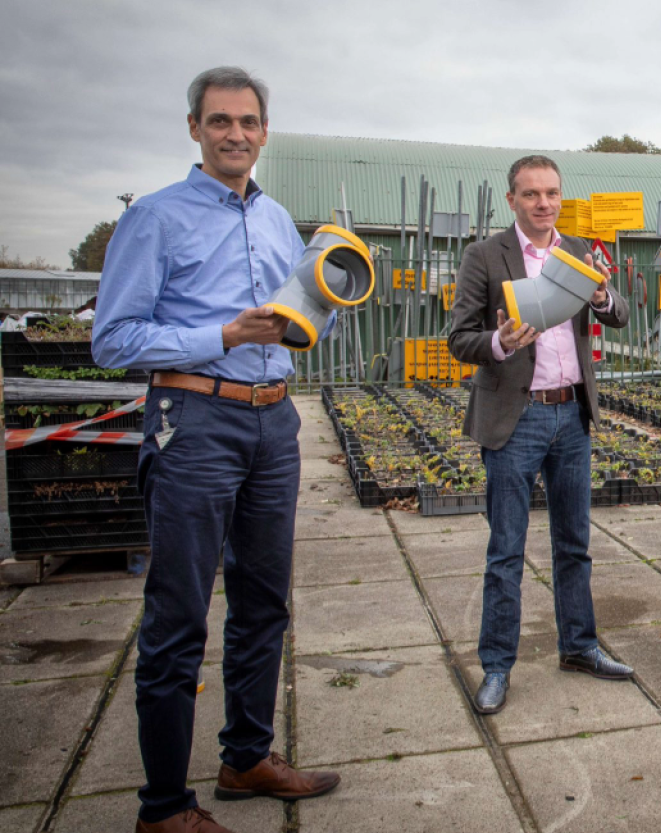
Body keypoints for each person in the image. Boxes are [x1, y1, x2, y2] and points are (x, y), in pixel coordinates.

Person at [93, 66, 341, 833]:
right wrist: (222, 334)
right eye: (220, 120)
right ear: (195, 128)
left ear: (265, 132)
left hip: (274, 421)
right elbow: (113, 339)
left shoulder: (276, 221)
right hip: (194, 421)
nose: (236, 133)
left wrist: (314, 313)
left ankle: (246, 756)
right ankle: (163, 807)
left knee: (264, 600)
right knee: (178, 615)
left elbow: (304, 318)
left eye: (248, 121)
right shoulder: (156, 219)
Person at [446, 155, 632, 716]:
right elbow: (459, 338)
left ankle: (579, 647)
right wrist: (501, 342)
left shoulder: (576, 253)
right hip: (516, 417)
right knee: (506, 549)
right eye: (531, 194)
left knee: (574, 544)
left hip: (571, 415)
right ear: (513, 201)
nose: (543, 203)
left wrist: (601, 298)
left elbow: (619, 311)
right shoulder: (485, 256)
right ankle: (497, 667)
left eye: (551, 193)